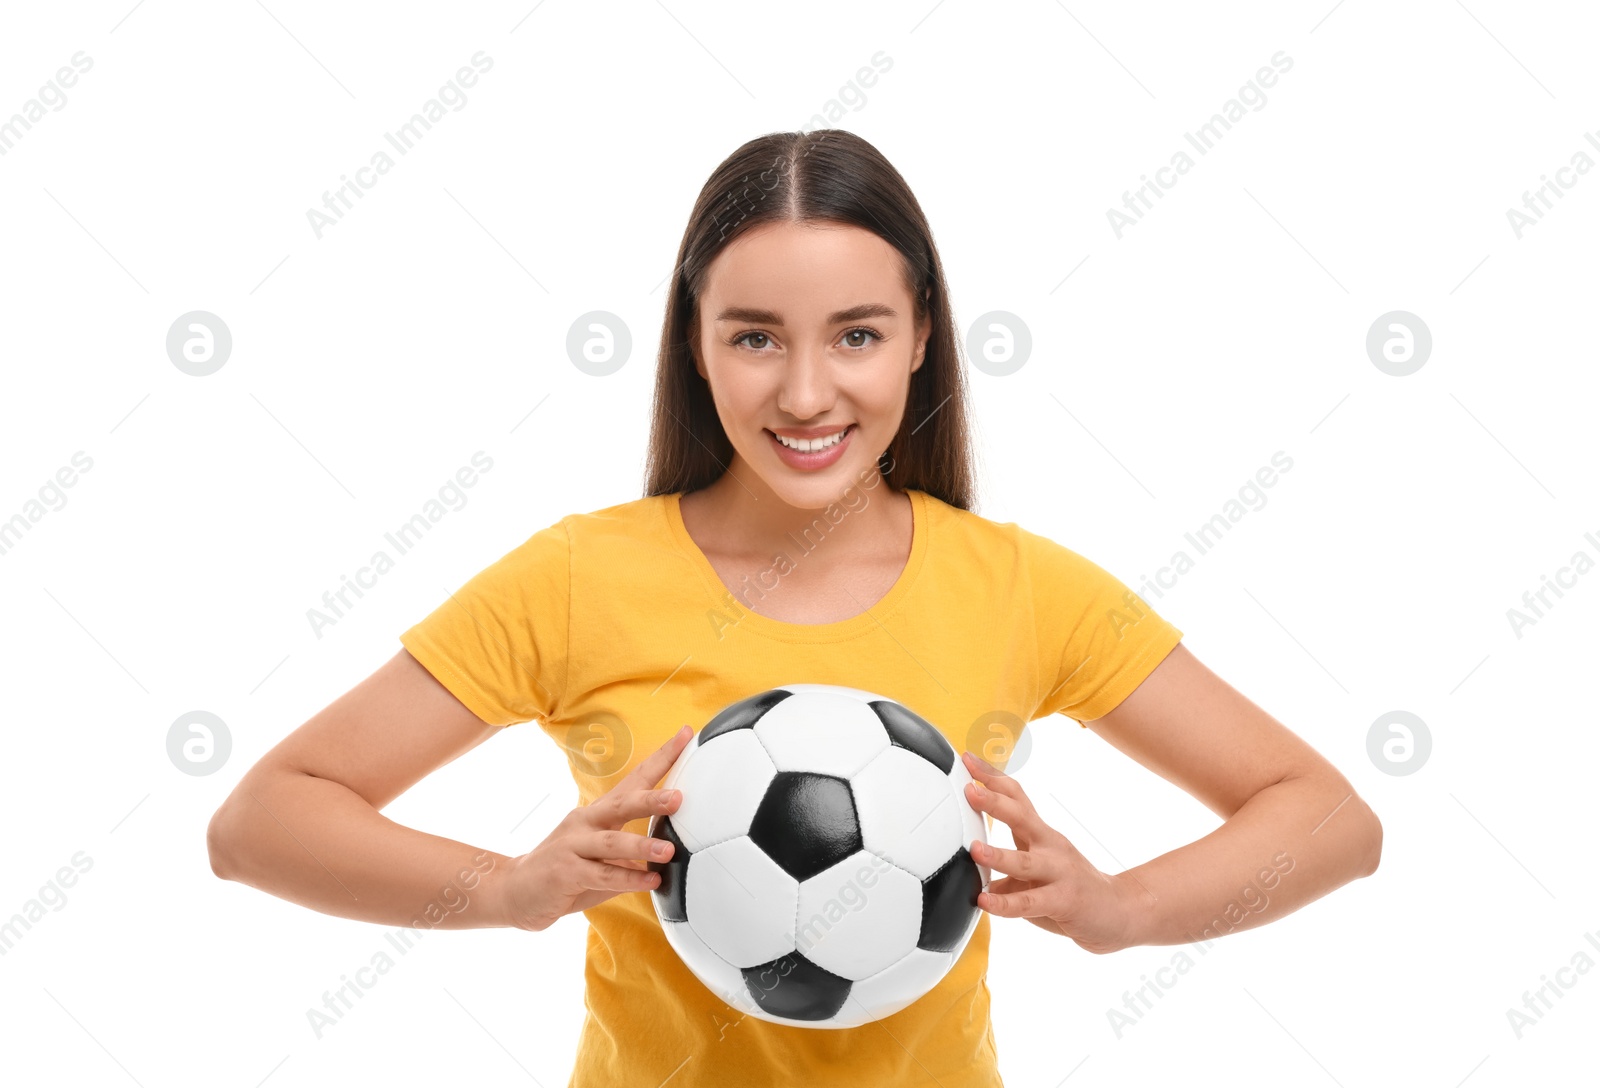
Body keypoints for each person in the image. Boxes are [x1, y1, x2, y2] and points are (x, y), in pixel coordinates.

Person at [206, 128, 1382, 1087]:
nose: (806, 391)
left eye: (857, 334)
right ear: (694, 346)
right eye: (755, 336)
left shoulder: (1019, 585)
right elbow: (260, 821)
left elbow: (1330, 817)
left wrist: (1122, 908)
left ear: (922, 337)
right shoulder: (575, 579)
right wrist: (512, 889)